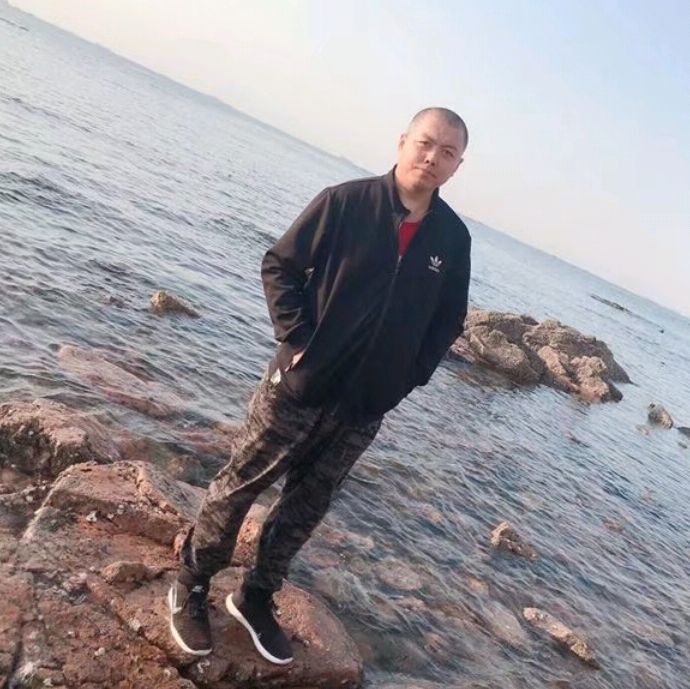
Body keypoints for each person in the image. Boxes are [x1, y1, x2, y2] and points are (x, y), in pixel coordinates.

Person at [167, 106, 472, 664]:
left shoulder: (452, 239)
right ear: (403, 141)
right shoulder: (346, 202)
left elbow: (448, 320)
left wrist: (407, 377)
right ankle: (191, 581)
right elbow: (279, 266)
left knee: (307, 506)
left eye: (447, 152)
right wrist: (298, 338)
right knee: (240, 485)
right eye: (426, 143)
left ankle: (255, 596)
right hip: (299, 386)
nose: (433, 158)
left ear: (457, 166)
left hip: (364, 405)